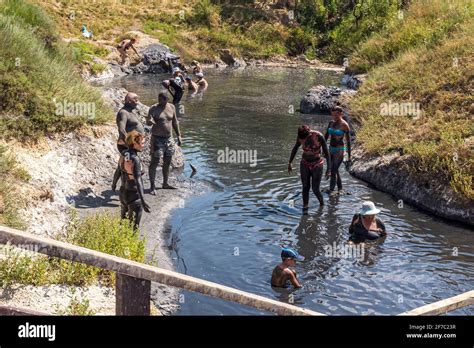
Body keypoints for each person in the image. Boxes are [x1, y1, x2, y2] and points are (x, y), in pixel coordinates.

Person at [146, 92, 182, 194]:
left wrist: (179, 135)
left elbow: (175, 122)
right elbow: (148, 121)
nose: (160, 101)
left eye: (162, 100)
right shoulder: (154, 108)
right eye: (159, 99)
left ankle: (165, 183)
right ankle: (152, 186)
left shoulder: (171, 107)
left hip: (169, 139)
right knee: (154, 162)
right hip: (157, 139)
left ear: (167, 99)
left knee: (167, 162)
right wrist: (149, 121)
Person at [288, 125, 331, 212]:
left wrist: (329, 169)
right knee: (305, 187)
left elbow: (326, 152)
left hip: (317, 164)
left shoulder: (318, 136)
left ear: (308, 133)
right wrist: (290, 162)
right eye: (301, 139)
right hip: (304, 163)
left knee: (315, 189)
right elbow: (295, 147)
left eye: (304, 138)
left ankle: (322, 205)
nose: (302, 141)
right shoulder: (300, 136)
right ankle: (305, 207)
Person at [112, 93, 145, 192]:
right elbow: (121, 130)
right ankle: (122, 187)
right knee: (124, 167)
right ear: (129, 101)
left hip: (133, 145)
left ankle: (116, 185)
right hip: (126, 146)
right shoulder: (123, 113)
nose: (137, 102)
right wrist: (129, 145)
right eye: (135, 100)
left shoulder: (131, 111)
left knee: (124, 165)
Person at [119, 130, 151, 229]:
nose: (143, 146)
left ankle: (119, 242)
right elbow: (138, 181)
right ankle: (129, 244)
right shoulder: (135, 160)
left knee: (123, 223)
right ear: (134, 143)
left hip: (123, 193)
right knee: (133, 228)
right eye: (141, 143)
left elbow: (118, 172)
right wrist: (143, 201)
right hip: (134, 196)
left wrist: (113, 183)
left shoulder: (124, 153)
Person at [324, 106, 351, 193]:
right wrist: (322, 149)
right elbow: (326, 137)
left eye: (337, 114)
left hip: (339, 150)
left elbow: (348, 141)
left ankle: (331, 191)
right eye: (333, 115)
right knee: (335, 170)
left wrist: (349, 156)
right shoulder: (331, 123)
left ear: (341, 114)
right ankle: (340, 188)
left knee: (333, 170)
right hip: (331, 148)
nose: (335, 116)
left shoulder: (344, 125)